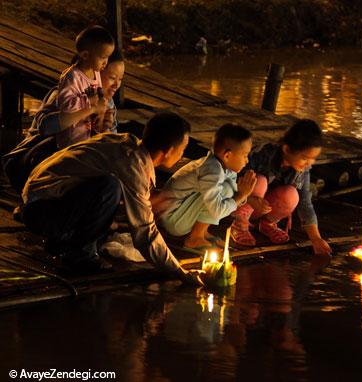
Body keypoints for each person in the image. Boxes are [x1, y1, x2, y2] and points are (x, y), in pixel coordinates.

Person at [21, 112, 202, 284]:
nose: (182, 155)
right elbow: (144, 233)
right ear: (169, 151)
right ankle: (80, 256)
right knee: (110, 187)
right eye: (182, 149)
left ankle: (64, 242)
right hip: (41, 211)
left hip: (42, 202)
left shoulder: (126, 144)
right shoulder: (132, 164)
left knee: (111, 191)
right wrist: (178, 271)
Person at [2, 50, 125, 195]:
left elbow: (108, 148)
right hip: (30, 162)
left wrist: (104, 130)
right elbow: (45, 127)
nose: (117, 84)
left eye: (121, 79)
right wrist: (89, 110)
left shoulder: (108, 104)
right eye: (112, 78)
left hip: (71, 168)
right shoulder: (64, 96)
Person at [231, 119, 332, 256]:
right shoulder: (263, 154)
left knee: (292, 194)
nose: (308, 163)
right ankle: (239, 224)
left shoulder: (302, 170)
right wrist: (250, 199)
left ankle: (267, 224)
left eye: (313, 159)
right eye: (304, 158)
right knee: (259, 180)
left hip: (265, 208)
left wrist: (316, 239)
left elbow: (305, 203)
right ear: (286, 149)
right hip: (241, 202)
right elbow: (232, 182)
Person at [155, 124, 257, 251]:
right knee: (225, 191)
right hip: (172, 219)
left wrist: (245, 195)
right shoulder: (211, 171)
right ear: (227, 156)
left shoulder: (224, 167)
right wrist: (241, 195)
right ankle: (194, 238)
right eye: (245, 155)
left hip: (181, 215)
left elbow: (233, 195)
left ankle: (202, 233)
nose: (246, 161)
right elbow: (217, 210)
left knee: (227, 190)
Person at [56, 25, 115, 148]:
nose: (106, 62)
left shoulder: (96, 73)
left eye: (108, 57)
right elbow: (65, 105)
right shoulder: (72, 77)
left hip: (88, 138)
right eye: (103, 57)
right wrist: (91, 102)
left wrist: (102, 112)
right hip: (72, 142)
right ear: (85, 55)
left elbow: (97, 97)